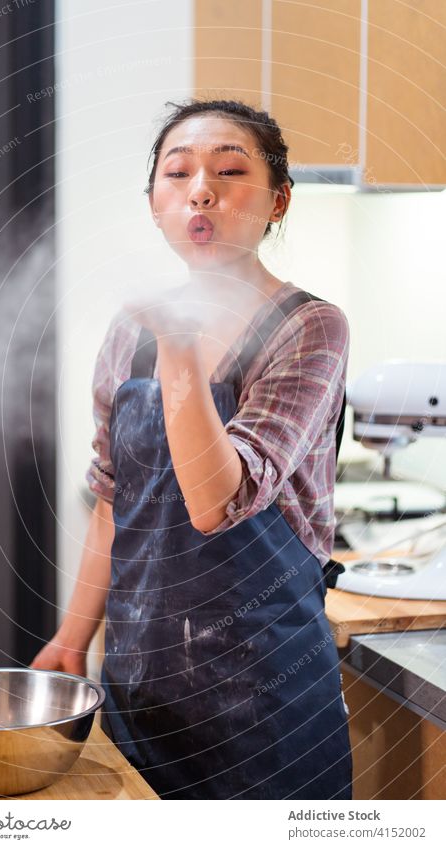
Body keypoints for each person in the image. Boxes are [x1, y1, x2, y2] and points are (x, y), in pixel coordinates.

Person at [31, 98, 353, 800]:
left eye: (229, 170)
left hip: (266, 699)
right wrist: (70, 638)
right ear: (154, 204)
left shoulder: (308, 328)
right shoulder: (131, 329)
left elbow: (218, 500)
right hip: (140, 687)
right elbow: (114, 498)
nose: (200, 189)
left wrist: (179, 345)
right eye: (176, 173)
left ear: (277, 201)